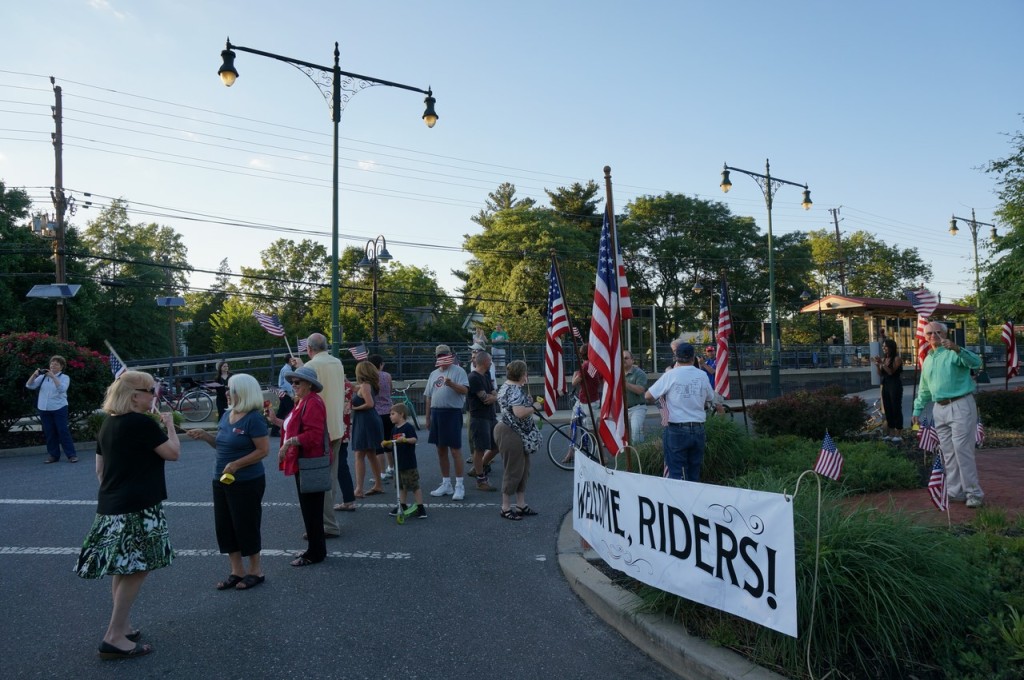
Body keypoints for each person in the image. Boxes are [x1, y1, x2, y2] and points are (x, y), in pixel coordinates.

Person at [75, 370, 180, 659]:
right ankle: (114, 635)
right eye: (151, 391)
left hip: (112, 504)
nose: (154, 396)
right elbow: (173, 453)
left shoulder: (108, 423)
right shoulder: (140, 423)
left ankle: (123, 626)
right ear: (135, 396)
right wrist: (170, 426)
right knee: (139, 566)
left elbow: (100, 470)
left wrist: (117, 492)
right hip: (139, 506)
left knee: (124, 567)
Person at [185, 374, 269, 591]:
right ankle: (236, 570)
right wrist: (205, 435)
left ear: (242, 392)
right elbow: (221, 445)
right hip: (221, 479)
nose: (225, 393)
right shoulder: (227, 415)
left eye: (229, 389)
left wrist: (237, 465)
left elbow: (263, 451)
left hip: (247, 481)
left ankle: (255, 571)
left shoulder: (254, 418)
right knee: (226, 526)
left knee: (246, 524)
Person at [912, 321, 984, 508]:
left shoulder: (954, 352)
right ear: (925, 337)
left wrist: (958, 349)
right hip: (939, 408)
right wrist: (917, 409)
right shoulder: (928, 359)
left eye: (937, 332)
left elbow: (976, 362)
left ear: (945, 333)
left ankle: (973, 493)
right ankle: (955, 491)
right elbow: (925, 388)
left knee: (962, 450)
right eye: (929, 333)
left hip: (960, 404)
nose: (933, 336)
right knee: (948, 452)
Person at [645, 343, 722, 482]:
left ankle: (679, 502)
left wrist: (663, 404)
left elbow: (648, 395)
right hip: (698, 427)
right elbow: (710, 397)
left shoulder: (670, 375)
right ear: (693, 357)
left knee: (675, 473)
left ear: (676, 357)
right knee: (694, 471)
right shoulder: (702, 375)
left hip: (676, 427)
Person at [279, 365, 330, 566]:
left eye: (297, 382)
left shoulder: (312, 403)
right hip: (304, 461)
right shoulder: (304, 402)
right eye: (292, 382)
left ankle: (315, 553)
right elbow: (294, 426)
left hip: (310, 461)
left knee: (312, 510)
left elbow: (314, 436)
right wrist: (277, 421)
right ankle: (315, 549)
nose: (293, 385)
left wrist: (289, 442)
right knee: (309, 509)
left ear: (309, 384)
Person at [303, 333, 347, 539]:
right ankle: (328, 521)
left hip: (318, 429)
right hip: (336, 426)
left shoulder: (310, 367)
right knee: (331, 476)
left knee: (317, 480)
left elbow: (302, 396)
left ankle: (328, 524)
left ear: (309, 349)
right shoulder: (337, 363)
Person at [494, 360, 542, 520]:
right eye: (525, 373)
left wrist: (526, 402)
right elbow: (519, 413)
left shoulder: (508, 387)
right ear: (522, 374)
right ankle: (506, 507)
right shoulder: (514, 389)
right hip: (511, 432)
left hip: (514, 432)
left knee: (523, 468)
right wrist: (534, 406)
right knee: (513, 469)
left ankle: (521, 504)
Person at [425, 344, 470, 500]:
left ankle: (459, 485)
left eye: (445, 354)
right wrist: (428, 417)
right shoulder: (433, 374)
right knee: (440, 450)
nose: (442, 357)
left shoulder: (459, 371)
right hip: (437, 413)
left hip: (452, 412)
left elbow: (465, 390)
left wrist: (452, 384)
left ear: (450, 355)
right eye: (439, 355)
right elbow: (429, 396)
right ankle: (446, 483)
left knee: (455, 450)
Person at [26, 355, 78, 463]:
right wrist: (34, 375)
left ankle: (71, 455)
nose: (53, 365)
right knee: (49, 432)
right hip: (44, 408)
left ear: (61, 367)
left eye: (56, 364)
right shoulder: (43, 377)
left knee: (63, 431)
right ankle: (53, 455)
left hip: (59, 407)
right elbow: (29, 386)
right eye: (52, 364)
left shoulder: (65, 377)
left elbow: (62, 389)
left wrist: (53, 377)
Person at [385, 403, 427, 518]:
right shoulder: (394, 429)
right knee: (401, 486)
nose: (390, 416)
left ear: (401, 414)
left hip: (408, 463)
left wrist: (405, 440)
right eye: (390, 414)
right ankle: (402, 505)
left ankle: (420, 507)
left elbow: (414, 439)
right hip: (398, 463)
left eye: (393, 414)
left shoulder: (408, 427)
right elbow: (391, 443)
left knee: (414, 485)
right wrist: (386, 444)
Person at [352, 360, 385, 498]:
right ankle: (378, 484)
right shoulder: (368, 385)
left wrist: (354, 408)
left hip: (365, 420)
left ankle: (359, 488)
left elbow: (369, 404)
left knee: (359, 454)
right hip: (370, 420)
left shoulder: (365, 386)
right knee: (371, 454)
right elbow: (357, 389)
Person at [466, 350, 499, 491]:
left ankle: (478, 468)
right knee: (479, 449)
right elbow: (485, 398)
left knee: (496, 446)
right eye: (490, 360)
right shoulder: (473, 377)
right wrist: (494, 397)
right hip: (479, 418)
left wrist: (494, 397)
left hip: (491, 417)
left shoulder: (486, 375)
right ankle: (481, 481)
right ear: (485, 361)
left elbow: (493, 393)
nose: (491, 362)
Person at [368, 354, 395, 481]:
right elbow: (390, 391)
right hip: (389, 411)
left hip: (376, 412)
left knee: (378, 444)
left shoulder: (369, 378)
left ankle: (381, 473)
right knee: (388, 441)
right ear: (380, 364)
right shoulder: (388, 376)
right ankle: (391, 467)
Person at [873, 338, 904, 442]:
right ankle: (891, 433)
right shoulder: (884, 359)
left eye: (885, 346)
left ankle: (898, 433)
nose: (883, 348)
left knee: (896, 408)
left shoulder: (897, 359)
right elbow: (881, 374)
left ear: (891, 347)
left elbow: (891, 372)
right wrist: (878, 365)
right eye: (883, 346)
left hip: (895, 384)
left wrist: (882, 363)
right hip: (885, 384)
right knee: (887, 408)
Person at [622, 350, 649, 444]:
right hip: (621, 410)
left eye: (626, 358)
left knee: (636, 434)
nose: (623, 360)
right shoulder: (617, 373)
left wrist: (625, 384)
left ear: (632, 360)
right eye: (621, 358)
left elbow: (640, 390)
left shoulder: (639, 373)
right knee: (620, 437)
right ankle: (625, 456)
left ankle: (639, 455)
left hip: (637, 408)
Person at [274, 355, 301, 437]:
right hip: (286, 393)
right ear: (289, 360)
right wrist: (292, 394)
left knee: (281, 412)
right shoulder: (286, 370)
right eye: (292, 359)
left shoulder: (286, 369)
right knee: (290, 411)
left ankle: (275, 431)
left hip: (284, 393)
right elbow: (287, 384)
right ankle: (291, 430)